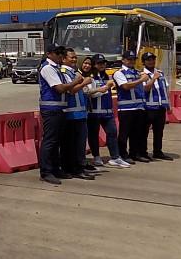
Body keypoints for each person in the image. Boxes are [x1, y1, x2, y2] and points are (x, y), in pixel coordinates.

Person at [38, 44, 80, 185]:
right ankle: (46, 172)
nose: (60, 55)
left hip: (60, 108)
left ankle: (55, 169)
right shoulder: (48, 68)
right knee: (50, 141)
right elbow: (60, 88)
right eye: (57, 53)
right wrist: (76, 81)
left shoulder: (57, 69)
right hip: (51, 109)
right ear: (49, 54)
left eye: (61, 52)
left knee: (56, 141)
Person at [84, 54, 131, 168]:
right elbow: (90, 94)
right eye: (99, 63)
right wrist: (105, 87)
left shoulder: (107, 76)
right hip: (94, 112)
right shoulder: (90, 77)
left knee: (112, 133)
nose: (102, 65)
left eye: (103, 63)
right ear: (94, 65)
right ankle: (96, 157)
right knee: (93, 135)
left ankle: (115, 157)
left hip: (107, 112)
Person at [58, 48, 95, 180]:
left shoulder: (73, 72)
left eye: (75, 57)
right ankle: (72, 168)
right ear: (64, 59)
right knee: (71, 144)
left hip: (80, 113)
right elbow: (71, 90)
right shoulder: (64, 72)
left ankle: (79, 167)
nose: (74, 59)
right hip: (71, 113)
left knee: (80, 143)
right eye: (71, 57)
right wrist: (84, 82)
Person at [113, 50, 150, 163]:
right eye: (129, 59)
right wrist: (141, 80)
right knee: (124, 133)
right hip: (126, 108)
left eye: (133, 59)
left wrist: (148, 79)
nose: (132, 61)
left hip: (139, 107)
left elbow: (144, 87)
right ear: (123, 60)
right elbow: (125, 86)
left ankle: (135, 153)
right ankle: (123, 154)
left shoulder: (137, 72)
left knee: (137, 133)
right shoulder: (119, 73)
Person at [142, 52, 173, 160]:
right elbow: (145, 89)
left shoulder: (160, 73)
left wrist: (168, 105)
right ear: (144, 62)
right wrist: (153, 78)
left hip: (160, 107)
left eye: (153, 59)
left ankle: (158, 151)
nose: (151, 62)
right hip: (148, 108)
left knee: (159, 131)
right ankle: (143, 152)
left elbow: (165, 89)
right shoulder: (142, 74)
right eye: (148, 60)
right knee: (144, 132)